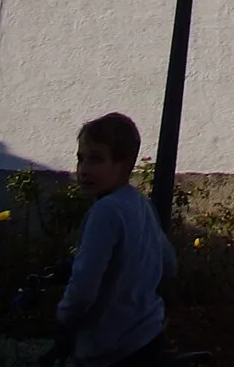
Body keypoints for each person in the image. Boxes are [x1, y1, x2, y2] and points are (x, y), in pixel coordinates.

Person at [54, 117, 174, 367]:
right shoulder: (141, 204)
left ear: (123, 164)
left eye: (96, 159)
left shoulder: (105, 212)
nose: (84, 169)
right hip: (148, 338)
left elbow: (84, 288)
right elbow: (169, 265)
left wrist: (63, 316)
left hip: (111, 350)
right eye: (80, 158)